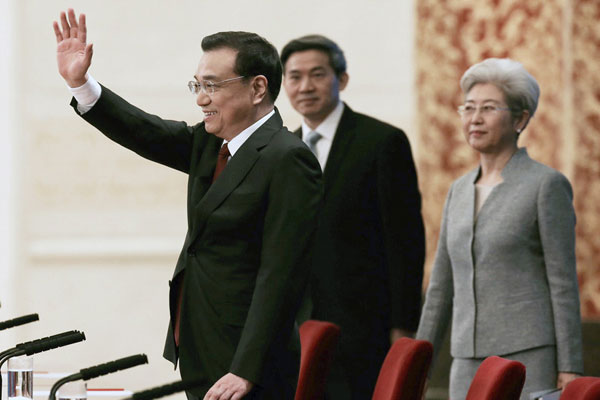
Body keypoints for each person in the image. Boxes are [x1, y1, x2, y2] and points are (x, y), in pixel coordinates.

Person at [53, 9, 322, 400]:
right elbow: (143, 130)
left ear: (258, 88)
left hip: (249, 366)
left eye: (211, 85)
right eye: (196, 84)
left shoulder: (288, 158)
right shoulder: (211, 145)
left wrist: (246, 370)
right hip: (200, 345)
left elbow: (280, 276)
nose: (200, 98)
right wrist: (81, 84)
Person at [416, 58, 583, 399]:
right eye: (468, 108)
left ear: (520, 119)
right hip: (465, 360)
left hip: (528, 357)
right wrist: (418, 366)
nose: (474, 118)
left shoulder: (545, 185)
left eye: (488, 108)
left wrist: (570, 366)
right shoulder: (458, 190)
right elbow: (440, 290)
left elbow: (563, 282)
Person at [280, 35, 425, 399]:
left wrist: (403, 325)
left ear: (341, 80)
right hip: (297, 331)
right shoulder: (282, 151)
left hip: (364, 329)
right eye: (294, 77)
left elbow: (405, 241)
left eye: (317, 74)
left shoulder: (381, 142)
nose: (305, 86)